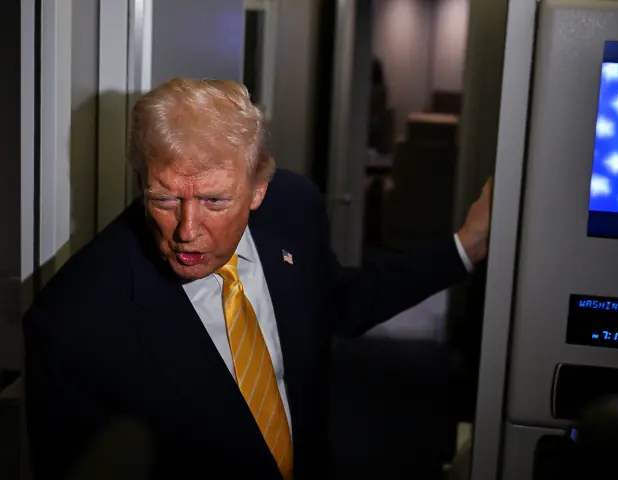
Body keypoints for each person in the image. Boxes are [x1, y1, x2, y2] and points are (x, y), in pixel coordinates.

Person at [23, 78, 492, 480]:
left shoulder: (294, 207)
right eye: (164, 200)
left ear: (258, 189)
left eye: (214, 201)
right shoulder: (72, 321)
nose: (187, 231)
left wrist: (465, 247)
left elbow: (336, 301)